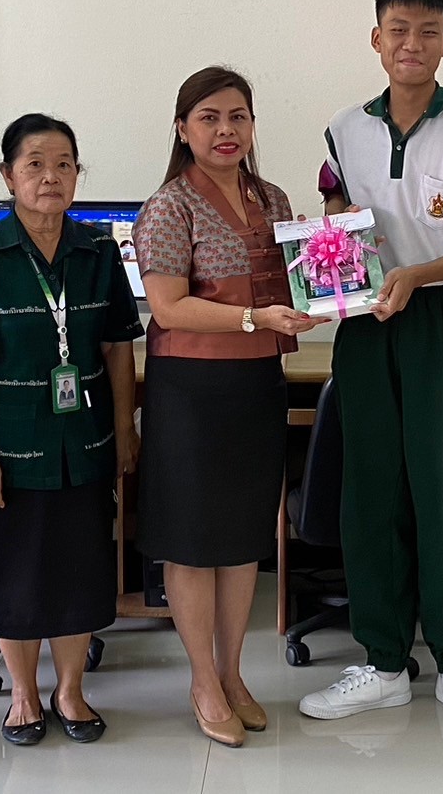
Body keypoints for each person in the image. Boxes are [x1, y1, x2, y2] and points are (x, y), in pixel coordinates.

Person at [300, 0, 443, 733]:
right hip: (366, 323)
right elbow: (333, 214)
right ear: (376, 38)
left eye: (427, 31)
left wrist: (416, 274)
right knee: (370, 491)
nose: (411, 44)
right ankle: (384, 662)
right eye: (398, 30)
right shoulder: (343, 128)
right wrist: (333, 253)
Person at [134, 67, 326, 748]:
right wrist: (253, 318)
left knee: (244, 539)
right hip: (190, 389)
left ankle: (232, 673)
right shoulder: (168, 206)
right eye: (209, 117)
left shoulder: (272, 198)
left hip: (256, 385)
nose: (225, 130)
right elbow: (167, 307)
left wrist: (334, 278)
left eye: (237, 117)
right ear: (182, 129)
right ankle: (201, 681)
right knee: (193, 542)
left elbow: (294, 285)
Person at [0, 114, 141, 747]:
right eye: (34, 165)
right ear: (8, 176)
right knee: (14, 570)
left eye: (63, 165)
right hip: (6, 446)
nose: (50, 177)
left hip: (84, 441)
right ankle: (24, 694)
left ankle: (70, 690)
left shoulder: (99, 253)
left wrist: (124, 428)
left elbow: (117, 348)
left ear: (78, 174)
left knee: (80, 567)